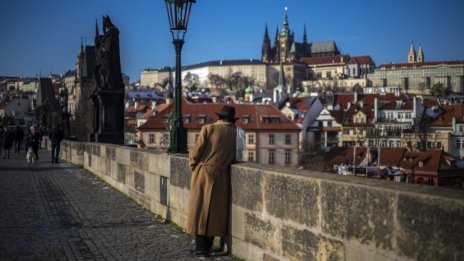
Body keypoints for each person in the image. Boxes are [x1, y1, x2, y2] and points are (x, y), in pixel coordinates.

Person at [186, 105, 239, 257]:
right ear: (232, 120)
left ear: (220, 117)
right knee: (215, 213)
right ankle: (207, 247)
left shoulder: (208, 129)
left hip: (204, 173)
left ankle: (200, 248)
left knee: (200, 210)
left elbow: (196, 152)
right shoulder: (236, 133)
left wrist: (194, 167)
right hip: (222, 175)